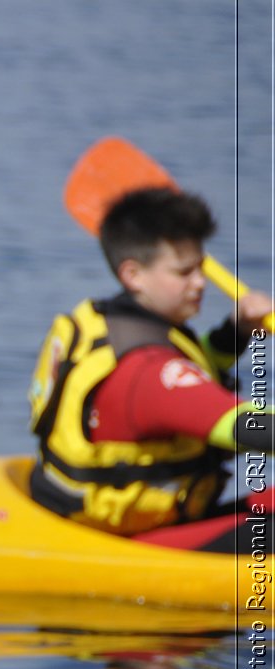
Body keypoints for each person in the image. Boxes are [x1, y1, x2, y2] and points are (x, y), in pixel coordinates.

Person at [28, 185, 272, 552]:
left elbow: (190, 373)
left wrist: (235, 333)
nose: (200, 283)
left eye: (201, 268)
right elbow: (247, 427)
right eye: (183, 272)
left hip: (157, 517)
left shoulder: (122, 329)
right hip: (139, 539)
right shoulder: (145, 371)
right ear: (133, 275)